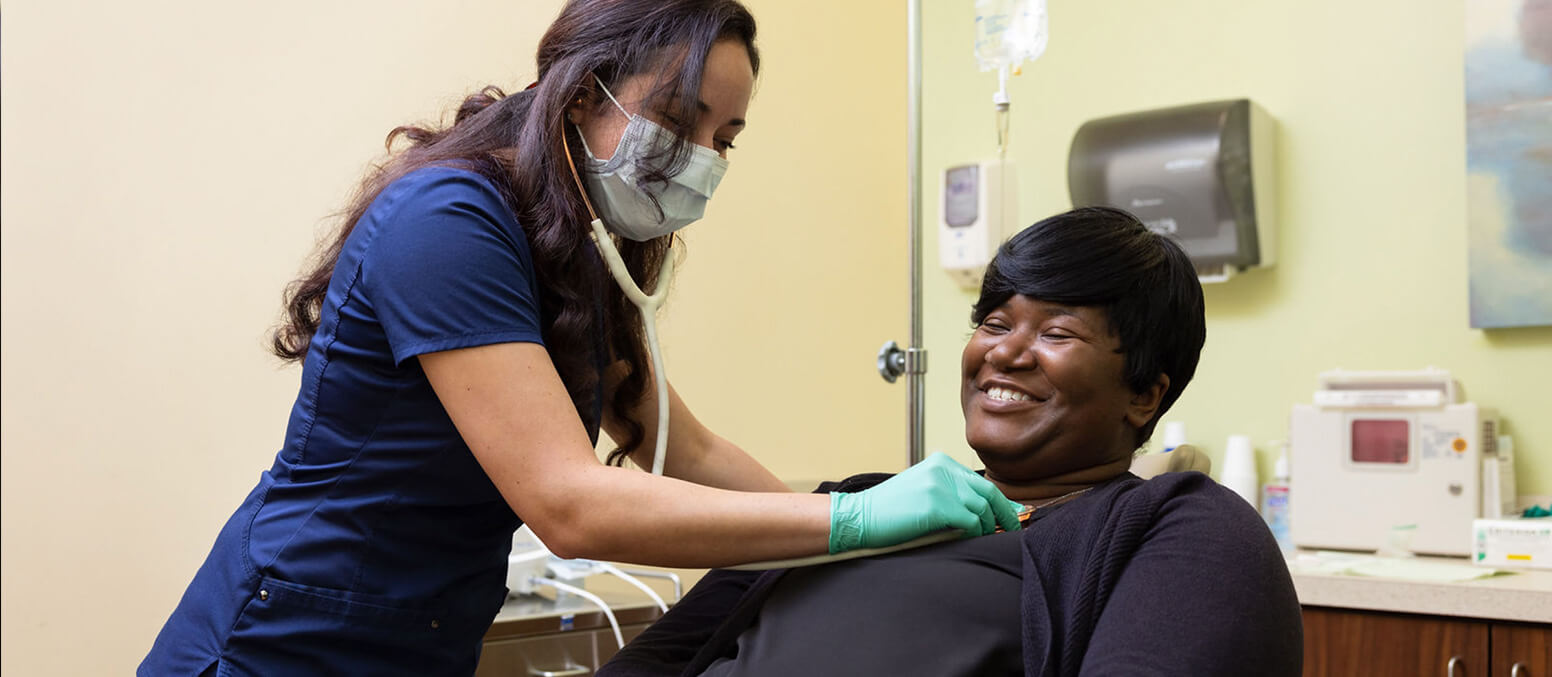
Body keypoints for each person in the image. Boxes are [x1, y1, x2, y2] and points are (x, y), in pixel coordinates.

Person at [139, 1, 1023, 674]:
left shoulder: (583, 243)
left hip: (418, 637)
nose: (703, 156)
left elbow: (687, 448)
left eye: (726, 136)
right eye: (678, 121)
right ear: (581, 87)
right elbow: (568, 503)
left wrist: (881, 532)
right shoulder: (447, 220)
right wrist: (856, 516)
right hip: (284, 639)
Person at [599, 206, 1305, 677]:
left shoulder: (1180, 527)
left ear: (1147, 390)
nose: (1007, 352)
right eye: (995, 323)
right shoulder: (864, 502)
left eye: (1057, 333)